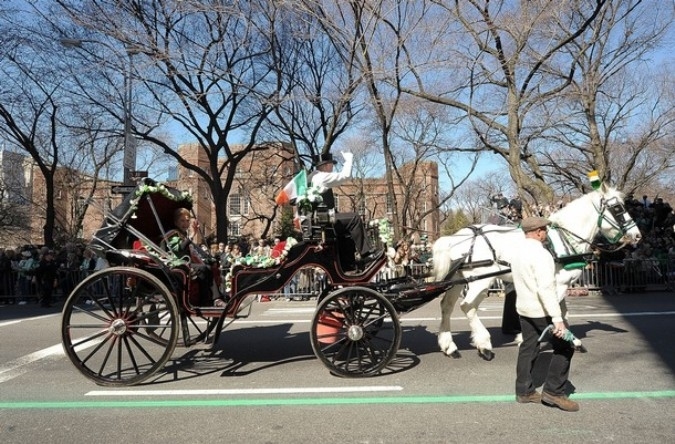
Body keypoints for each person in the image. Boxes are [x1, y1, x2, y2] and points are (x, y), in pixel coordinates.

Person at [511, 216, 579, 412]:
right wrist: (557, 319)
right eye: (546, 230)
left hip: (524, 308)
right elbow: (546, 289)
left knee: (528, 347)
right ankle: (554, 393)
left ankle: (524, 391)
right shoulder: (541, 255)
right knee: (566, 346)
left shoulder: (518, 252)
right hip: (541, 310)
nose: (546, 234)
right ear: (539, 231)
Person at [308, 152, 378, 271]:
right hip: (324, 222)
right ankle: (366, 253)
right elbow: (345, 176)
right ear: (325, 166)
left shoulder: (311, 177)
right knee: (355, 219)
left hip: (320, 221)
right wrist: (349, 159)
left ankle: (347, 266)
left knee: (347, 232)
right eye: (331, 165)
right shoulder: (321, 177)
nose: (333, 167)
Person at [162, 208, 225, 307]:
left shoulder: (182, 234)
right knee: (203, 269)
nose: (185, 223)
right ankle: (205, 300)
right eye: (182, 221)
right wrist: (192, 235)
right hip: (177, 263)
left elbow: (193, 247)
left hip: (187, 262)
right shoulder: (172, 234)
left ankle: (215, 298)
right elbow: (180, 249)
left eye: (187, 221)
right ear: (176, 222)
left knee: (208, 267)